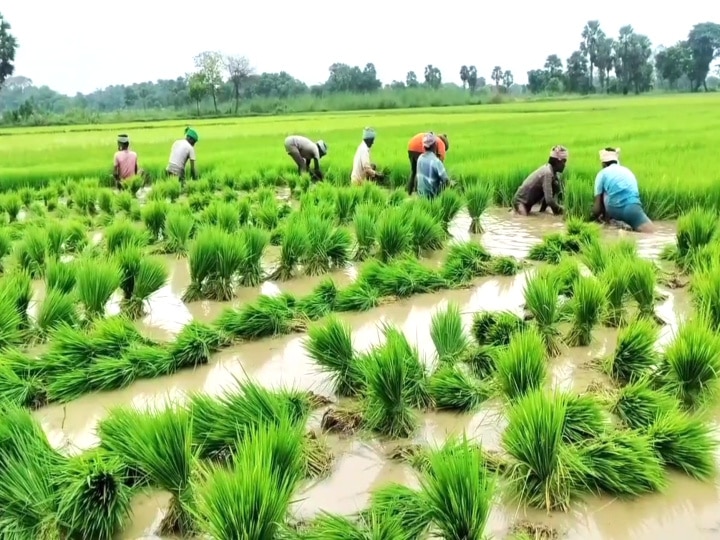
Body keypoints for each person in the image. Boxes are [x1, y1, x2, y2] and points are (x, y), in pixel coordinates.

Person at [592, 147, 654, 233]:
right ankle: (623, 225)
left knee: (605, 193)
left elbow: (597, 207)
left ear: (603, 164)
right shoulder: (627, 171)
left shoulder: (602, 173)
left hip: (614, 209)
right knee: (649, 232)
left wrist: (593, 217)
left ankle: (610, 222)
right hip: (633, 208)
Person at [512, 145, 567, 216]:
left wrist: (549, 211)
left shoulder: (554, 175)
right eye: (564, 161)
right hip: (520, 202)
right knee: (524, 220)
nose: (565, 165)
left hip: (528, 203)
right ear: (557, 162)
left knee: (555, 184)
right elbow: (549, 200)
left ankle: (542, 211)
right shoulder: (547, 173)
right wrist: (562, 209)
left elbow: (550, 196)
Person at [416, 133, 451, 199]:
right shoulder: (436, 162)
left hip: (421, 196)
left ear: (424, 146)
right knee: (445, 182)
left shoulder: (420, 158)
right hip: (431, 197)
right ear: (435, 146)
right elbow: (446, 181)